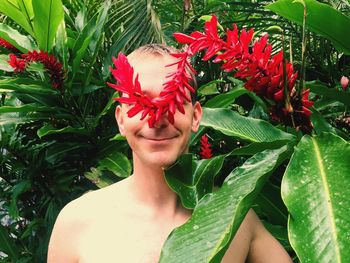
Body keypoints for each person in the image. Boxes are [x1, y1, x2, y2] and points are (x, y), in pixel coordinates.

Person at [47, 44, 292, 263]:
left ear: (195, 116)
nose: (156, 119)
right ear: (121, 120)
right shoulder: (77, 221)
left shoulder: (237, 219)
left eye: (172, 100)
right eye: (140, 100)